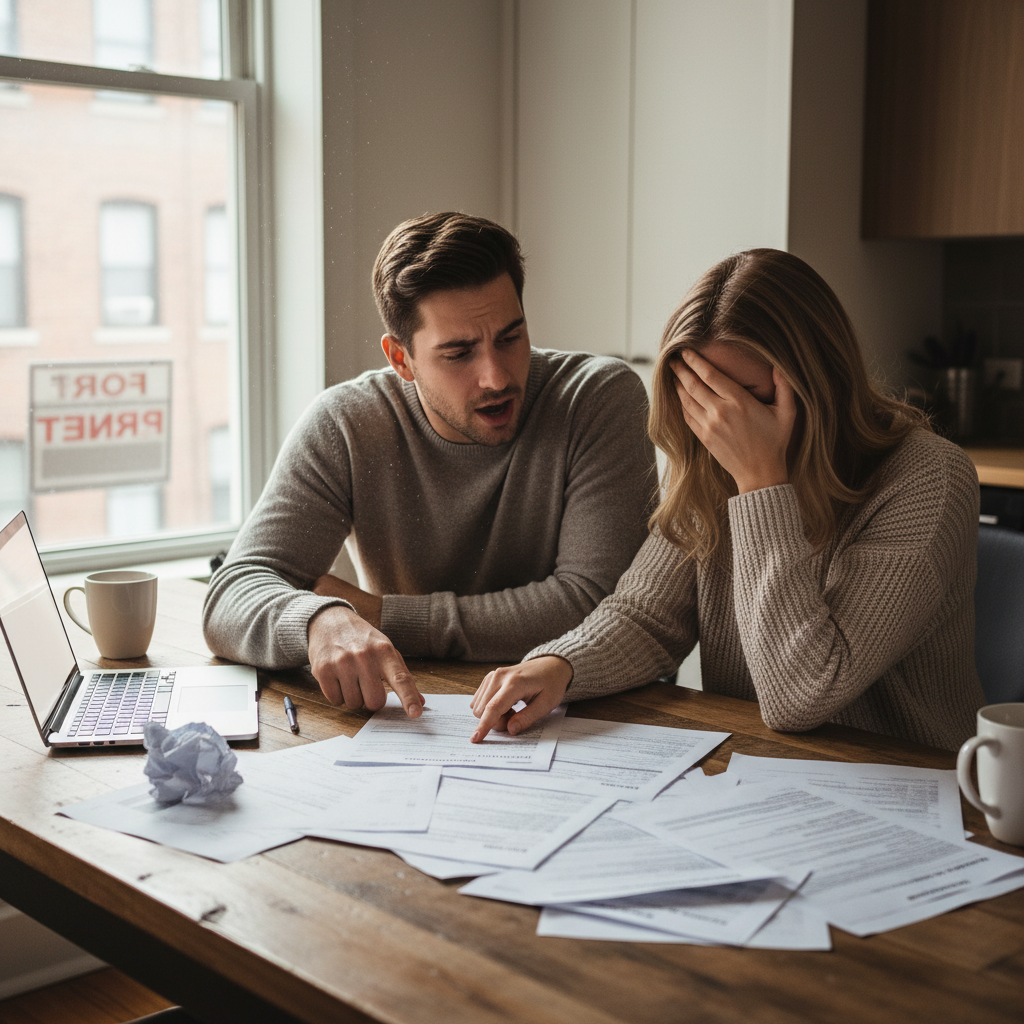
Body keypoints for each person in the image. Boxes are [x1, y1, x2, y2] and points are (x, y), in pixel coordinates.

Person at [470, 248, 985, 751]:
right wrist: (562, 665)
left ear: (823, 379)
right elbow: (647, 617)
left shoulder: (929, 479)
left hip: (912, 786)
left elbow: (803, 696)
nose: (726, 423)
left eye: (751, 400)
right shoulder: (712, 456)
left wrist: (761, 481)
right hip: (760, 767)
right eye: (707, 400)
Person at [203, 212, 656, 719]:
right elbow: (229, 597)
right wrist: (320, 618)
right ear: (401, 359)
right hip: (411, 714)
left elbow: (598, 605)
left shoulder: (597, 398)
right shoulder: (347, 423)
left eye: (510, 337)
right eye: (459, 353)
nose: (496, 376)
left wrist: (378, 614)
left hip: (588, 716)